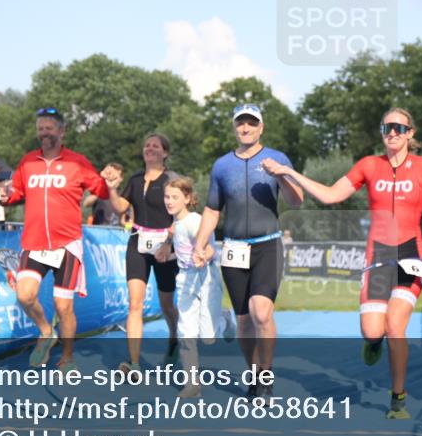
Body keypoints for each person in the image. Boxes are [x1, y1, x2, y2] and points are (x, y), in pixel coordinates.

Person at [261, 107, 422, 419]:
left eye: (398, 127)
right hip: (377, 257)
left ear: (410, 134)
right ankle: (373, 341)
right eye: (386, 127)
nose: (392, 133)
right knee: (372, 330)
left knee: (396, 325)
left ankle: (398, 398)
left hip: (410, 256)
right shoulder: (368, 165)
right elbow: (329, 196)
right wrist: (289, 173)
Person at [194, 103, 304, 400]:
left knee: (261, 312)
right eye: (241, 123)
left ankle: (266, 376)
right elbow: (212, 209)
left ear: (261, 127)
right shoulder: (221, 166)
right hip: (233, 249)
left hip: (268, 245)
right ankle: (254, 373)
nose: (246, 128)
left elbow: (296, 201)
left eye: (251, 123)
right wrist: (200, 242)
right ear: (234, 127)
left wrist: (281, 175)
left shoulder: (277, 158)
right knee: (244, 319)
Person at [1, 107, 110, 372]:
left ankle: (68, 356)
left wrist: (107, 182)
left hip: (66, 244)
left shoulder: (77, 162)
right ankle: (45, 331)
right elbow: (16, 192)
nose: (44, 133)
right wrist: (6, 195)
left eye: (49, 128)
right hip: (34, 242)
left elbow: (101, 190)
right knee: (24, 296)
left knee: (64, 307)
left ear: (62, 131)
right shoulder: (28, 162)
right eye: (40, 128)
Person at [102, 134, 181, 374]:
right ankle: (134, 363)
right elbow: (120, 208)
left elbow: (181, 216)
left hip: (164, 246)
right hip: (137, 243)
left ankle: (175, 338)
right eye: (147, 145)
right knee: (134, 304)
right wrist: (112, 190)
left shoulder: (172, 180)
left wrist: (169, 242)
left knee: (167, 304)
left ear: (165, 153)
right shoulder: (136, 179)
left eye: (156, 146)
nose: (150, 148)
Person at [164, 176, 234, 398]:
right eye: (166, 196)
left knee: (209, 337)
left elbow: (212, 249)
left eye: (174, 197)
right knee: (185, 332)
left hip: (206, 277)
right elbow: (184, 251)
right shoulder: (175, 225)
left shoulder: (196, 221)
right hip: (185, 279)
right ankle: (192, 384)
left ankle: (225, 318)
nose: (169, 201)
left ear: (187, 198)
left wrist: (203, 256)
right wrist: (167, 253)